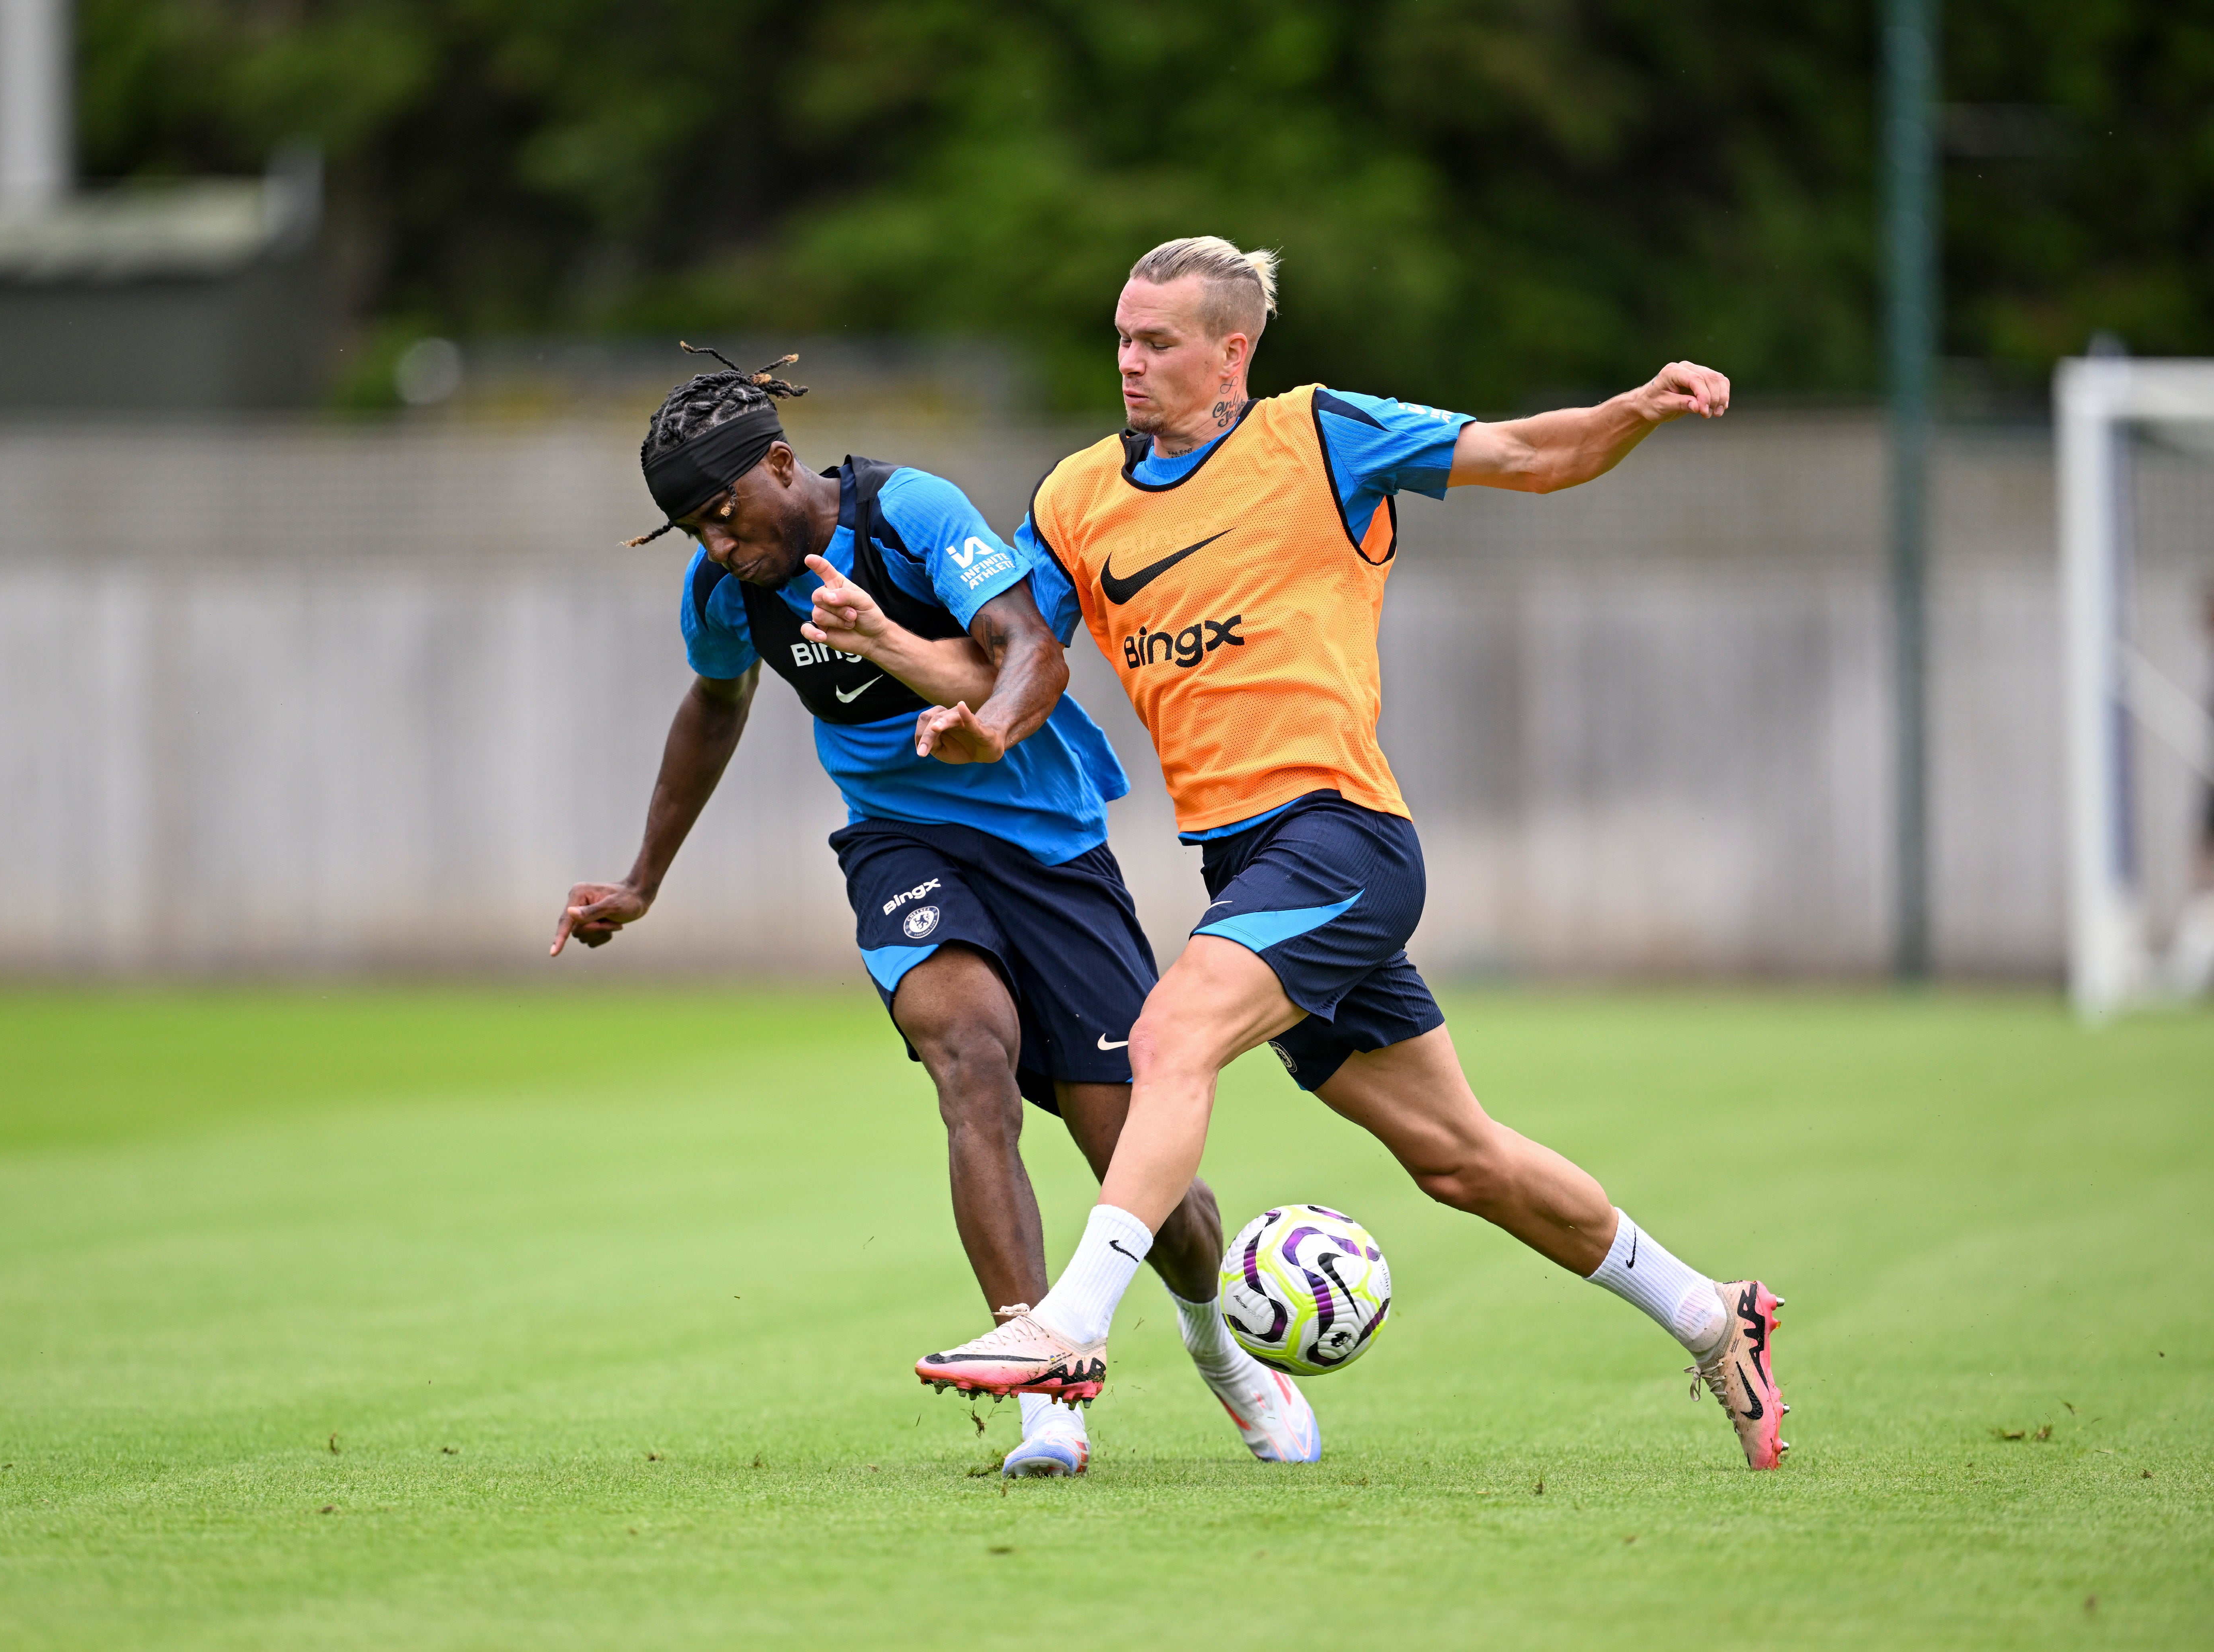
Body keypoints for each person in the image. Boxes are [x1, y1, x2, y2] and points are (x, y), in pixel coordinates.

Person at [905, 240, 1791, 1471]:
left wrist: (1634, 409)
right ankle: (1712, 1313)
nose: (1130, 361)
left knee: (1170, 1037)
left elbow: (1530, 455)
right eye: (1122, 336)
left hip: (1339, 838)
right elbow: (1011, 658)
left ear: (1234, 354)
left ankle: (1071, 1326)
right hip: (1245, 867)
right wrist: (890, 655)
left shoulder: (1319, 435)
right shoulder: (1076, 497)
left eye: (1158, 342)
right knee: (1460, 1159)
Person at [553, 345, 1322, 1475]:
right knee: (966, 1055)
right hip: (900, 844)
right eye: (699, 533)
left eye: (728, 515)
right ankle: (1043, 1394)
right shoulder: (727, 592)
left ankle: (1221, 1352)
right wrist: (643, 879)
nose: (722, 547)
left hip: (1049, 851)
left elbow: (1033, 652)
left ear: (782, 463)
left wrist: (989, 725)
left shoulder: (910, 511)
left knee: (1142, 1173)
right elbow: (715, 708)